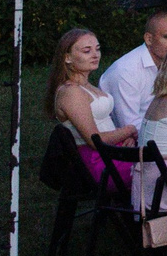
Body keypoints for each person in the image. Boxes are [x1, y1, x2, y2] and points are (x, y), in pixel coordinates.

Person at [47, 28, 137, 177]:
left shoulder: (86, 86)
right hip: (99, 161)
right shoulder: (71, 92)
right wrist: (129, 130)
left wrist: (126, 138)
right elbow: (94, 140)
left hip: (114, 153)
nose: (95, 55)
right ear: (67, 57)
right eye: (87, 51)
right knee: (162, 171)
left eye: (97, 49)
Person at [98, 11, 167, 133]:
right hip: (129, 145)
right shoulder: (125, 71)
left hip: (162, 132)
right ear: (149, 39)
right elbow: (130, 125)